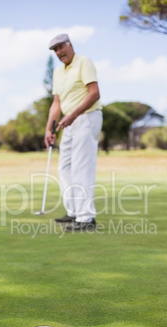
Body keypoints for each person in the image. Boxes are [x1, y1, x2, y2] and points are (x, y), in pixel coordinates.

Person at [45, 33, 102, 231]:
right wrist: (49, 129)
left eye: (61, 47)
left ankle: (86, 218)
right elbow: (56, 103)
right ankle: (74, 212)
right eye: (55, 50)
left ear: (70, 45)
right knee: (65, 168)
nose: (59, 52)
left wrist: (74, 115)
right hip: (68, 122)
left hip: (87, 117)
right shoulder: (58, 73)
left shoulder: (83, 62)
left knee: (81, 168)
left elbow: (94, 93)